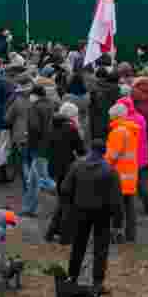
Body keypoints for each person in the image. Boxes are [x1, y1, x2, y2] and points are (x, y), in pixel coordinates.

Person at [62, 139, 122, 292]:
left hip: (80, 210)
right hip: (102, 213)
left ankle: (72, 277)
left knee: (78, 245)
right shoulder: (110, 171)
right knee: (101, 248)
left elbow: (65, 189)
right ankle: (97, 282)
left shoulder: (76, 166)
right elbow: (116, 200)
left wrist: (69, 209)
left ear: (90, 149)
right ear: (104, 152)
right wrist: (117, 224)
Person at [45, 102, 85, 244]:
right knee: (67, 203)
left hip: (55, 169)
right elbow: (80, 150)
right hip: (69, 168)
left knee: (62, 200)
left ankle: (52, 232)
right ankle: (65, 236)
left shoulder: (50, 128)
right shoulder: (71, 129)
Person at [21, 85, 58, 217]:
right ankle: (28, 208)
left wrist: (29, 139)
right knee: (36, 178)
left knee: (39, 179)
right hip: (47, 145)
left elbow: (34, 128)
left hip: (36, 147)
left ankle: (63, 193)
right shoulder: (51, 105)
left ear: (35, 95)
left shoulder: (34, 108)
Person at [106, 102, 139, 243]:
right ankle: (131, 235)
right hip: (130, 174)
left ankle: (116, 234)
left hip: (118, 175)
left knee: (116, 208)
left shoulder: (118, 132)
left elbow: (111, 156)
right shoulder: (131, 130)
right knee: (129, 207)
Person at [119, 96, 148, 216]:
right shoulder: (140, 118)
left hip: (129, 157)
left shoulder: (124, 121)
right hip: (140, 155)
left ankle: (126, 209)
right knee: (139, 183)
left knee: (130, 184)